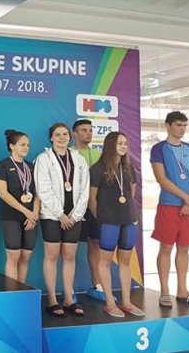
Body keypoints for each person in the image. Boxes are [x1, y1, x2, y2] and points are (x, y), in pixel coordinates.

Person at [34, 123, 89, 317]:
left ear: (69, 137)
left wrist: (74, 215)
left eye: (65, 134)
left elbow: (85, 189)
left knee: (69, 256)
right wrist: (60, 214)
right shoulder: (43, 159)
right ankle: (52, 299)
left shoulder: (79, 159)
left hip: (74, 217)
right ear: (51, 138)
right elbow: (43, 190)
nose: (62, 137)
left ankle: (68, 299)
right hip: (52, 215)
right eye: (57, 134)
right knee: (52, 256)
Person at [88, 131, 144, 318]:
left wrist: (131, 215)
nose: (123, 146)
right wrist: (101, 218)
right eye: (120, 143)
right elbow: (92, 199)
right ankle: (110, 303)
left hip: (128, 220)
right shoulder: (97, 169)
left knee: (125, 261)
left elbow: (131, 194)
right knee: (105, 261)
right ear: (110, 145)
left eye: (125, 143)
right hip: (108, 221)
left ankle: (126, 302)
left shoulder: (129, 167)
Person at [151, 111, 189, 308]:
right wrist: (186, 198)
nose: (182, 129)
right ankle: (164, 291)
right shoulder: (159, 149)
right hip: (168, 205)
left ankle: (182, 290)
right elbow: (161, 178)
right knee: (166, 247)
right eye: (179, 125)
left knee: (184, 247)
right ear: (168, 125)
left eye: (184, 125)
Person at [0, 129, 40, 283]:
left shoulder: (31, 166)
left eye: (28, 145)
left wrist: (34, 214)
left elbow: (38, 193)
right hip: (11, 216)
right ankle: (12, 293)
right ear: (12, 146)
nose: (26, 148)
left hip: (31, 218)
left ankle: (22, 290)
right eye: (22, 144)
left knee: (26, 256)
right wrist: (27, 212)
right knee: (14, 256)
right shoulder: (3, 165)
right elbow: (3, 193)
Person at [72, 119, 106, 301]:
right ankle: (69, 288)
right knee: (70, 248)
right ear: (75, 133)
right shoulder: (68, 153)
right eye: (84, 130)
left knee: (95, 244)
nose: (88, 133)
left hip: (94, 205)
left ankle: (97, 286)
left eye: (90, 130)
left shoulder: (99, 155)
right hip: (74, 207)